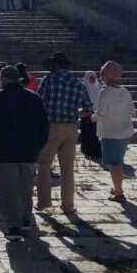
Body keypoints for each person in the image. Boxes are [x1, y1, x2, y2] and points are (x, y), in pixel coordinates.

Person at [0, 66, 50, 241]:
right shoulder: (34, 97)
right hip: (29, 151)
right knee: (26, 186)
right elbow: (44, 124)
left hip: (5, 152)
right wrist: (39, 145)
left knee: (7, 189)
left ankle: (13, 227)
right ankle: (26, 218)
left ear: (3, 79)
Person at [35, 53, 91, 215]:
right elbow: (87, 109)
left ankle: (44, 202)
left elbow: (38, 104)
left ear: (57, 65)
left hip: (51, 127)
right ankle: (68, 205)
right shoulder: (77, 84)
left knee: (44, 165)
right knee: (67, 168)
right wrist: (73, 114)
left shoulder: (47, 81)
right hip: (71, 128)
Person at [95, 61, 136, 202]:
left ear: (105, 76)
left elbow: (101, 114)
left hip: (111, 133)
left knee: (115, 163)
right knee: (118, 161)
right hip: (125, 132)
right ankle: (117, 187)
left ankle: (119, 192)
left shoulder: (104, 92)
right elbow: (133, 112)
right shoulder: (125, 91)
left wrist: (92, 117)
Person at [79, 70, 103, 161]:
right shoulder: (83, 88)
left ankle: (95, 151)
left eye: (94, 77)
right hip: (86, 114)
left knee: (95, 134)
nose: (93, 79)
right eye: (91, 77)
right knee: (87, 134)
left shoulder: (99, 87)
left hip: (97, 114)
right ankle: (87, 151)